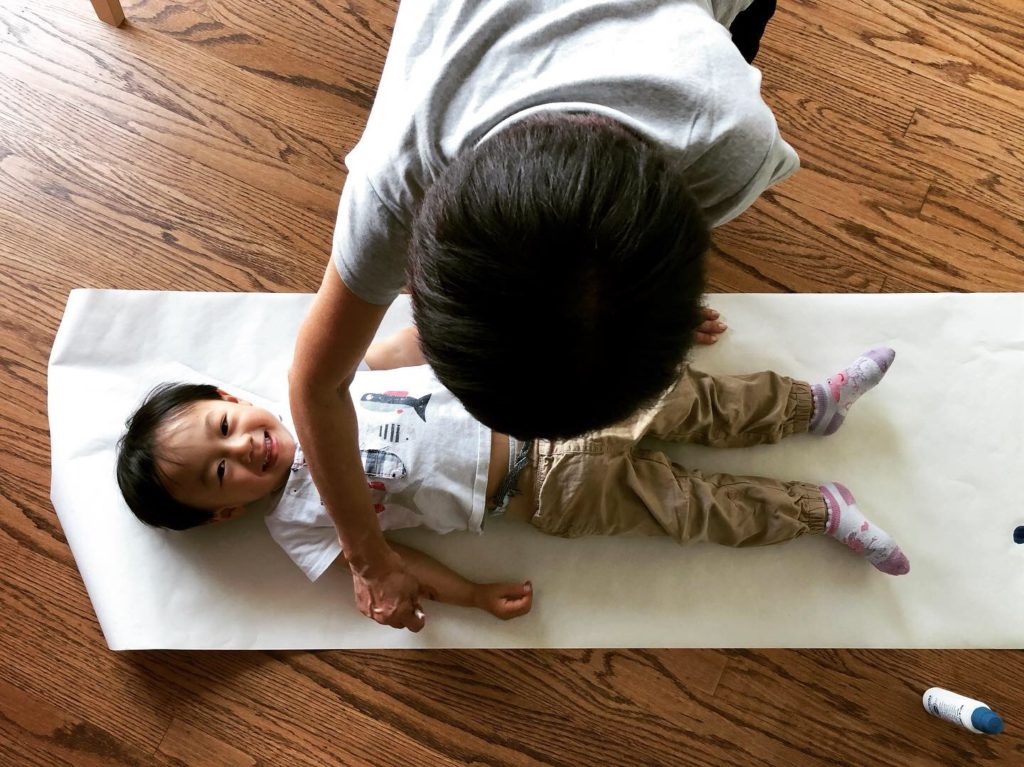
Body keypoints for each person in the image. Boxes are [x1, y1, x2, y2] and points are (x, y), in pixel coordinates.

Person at [292, 0, 797, 631]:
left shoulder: (726, 136)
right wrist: (367, 559)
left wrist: (645, 299)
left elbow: (318, 383)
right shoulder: (396, 184)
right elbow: (315, 383)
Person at [116, 339, 909, 625]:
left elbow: (420, 339)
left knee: (687, 394)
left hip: (545, 400)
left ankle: (811, 406)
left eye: (226, 427)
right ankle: (816, 510)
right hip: (534, 493)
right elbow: (394, 564)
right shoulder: (298, 526)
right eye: (221, 472)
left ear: (232, 399)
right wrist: (467, 594)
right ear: (225, 510)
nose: (244, 448)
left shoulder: (317, 383)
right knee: (690, 508)